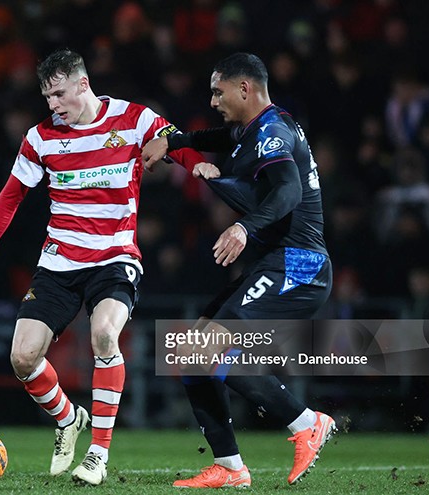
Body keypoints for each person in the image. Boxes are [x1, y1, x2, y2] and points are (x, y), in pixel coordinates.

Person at [0, 48, 204, 486]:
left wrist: (201, 164)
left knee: (105, 333)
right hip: (58, 264)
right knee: (21, 357)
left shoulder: (133, 119)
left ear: (82, 84)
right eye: (47, 97)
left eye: (58, 94)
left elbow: (177, 143)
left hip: (115, 258)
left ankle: (97, 455)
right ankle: (68, 418)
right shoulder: (40, 138)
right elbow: (10, 198)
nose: (52, 105)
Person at [142, 52, 336, 489]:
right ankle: (230, 467)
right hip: (276, 263)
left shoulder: (272, 131)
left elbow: (287, 190)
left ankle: (307, 422)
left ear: (244, 88)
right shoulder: (250, 131)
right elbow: (213, 136)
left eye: (218, 91)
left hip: (300, 265)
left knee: (209, 351)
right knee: (190, 355)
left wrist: (245, 228)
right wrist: (174, 143)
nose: (212, 100)